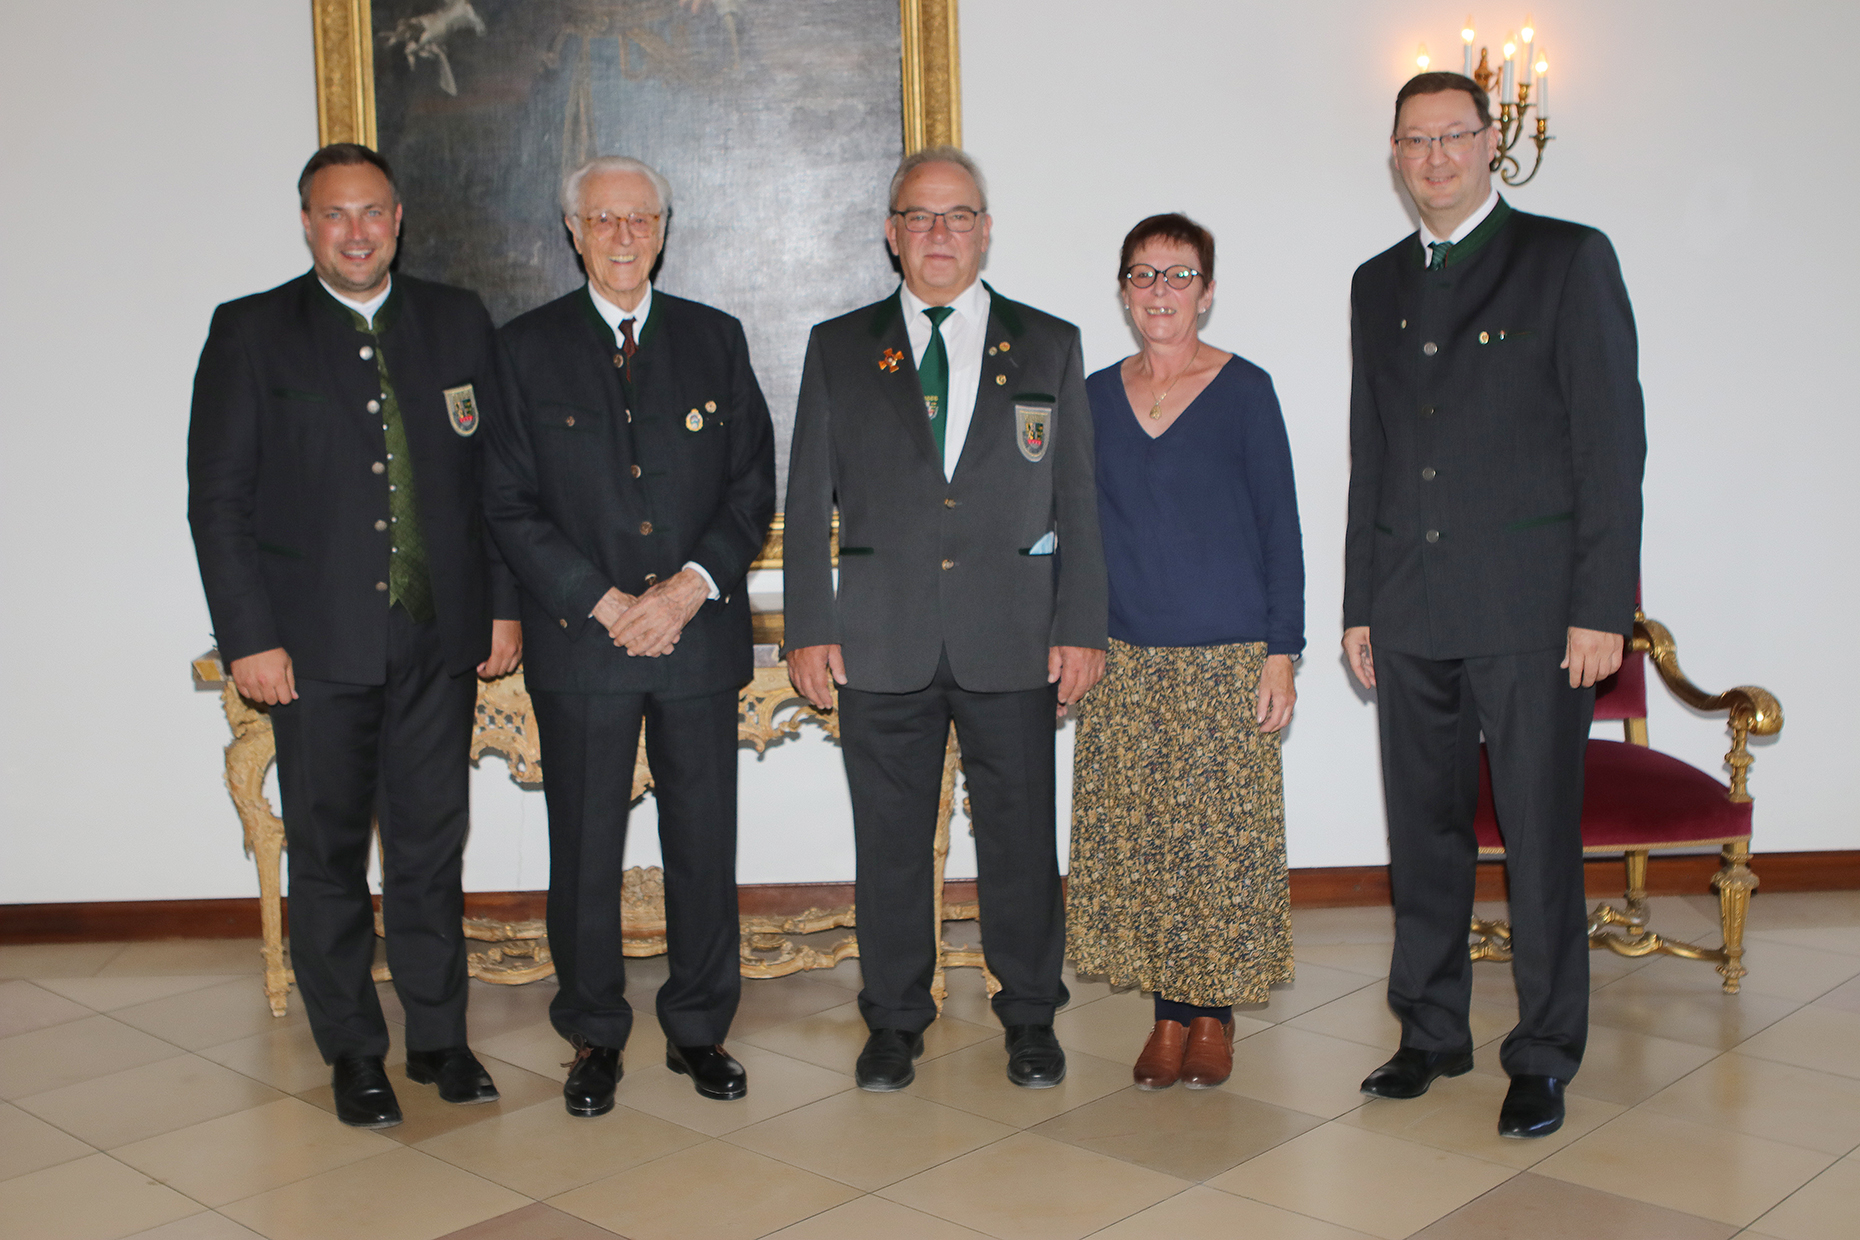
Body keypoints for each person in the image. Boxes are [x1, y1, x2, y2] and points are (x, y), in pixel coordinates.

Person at [187, 143, 523, 1128]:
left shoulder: (458, 321)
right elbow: (220, 501)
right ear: (306, 223)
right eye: (335, 215)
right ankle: (353, 1049)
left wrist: (501, 605)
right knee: (330, 853)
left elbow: (493, 483)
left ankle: (438, 1036)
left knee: (431, 845)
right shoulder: (251, 332)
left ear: (399, 217)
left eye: (371, 211)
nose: (356, 231)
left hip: (437, 641)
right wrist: (249, 635)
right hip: (312, 651)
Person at [1344, 72, 1645, 1138]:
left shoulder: (1567, 259)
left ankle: (1545, 1048)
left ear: (1489, 145)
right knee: (1423, 836)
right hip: (1410, 609)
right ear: (1394, 155)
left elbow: (1610, 449)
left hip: (1532, 613)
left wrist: (1600, 603)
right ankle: (1430, 1029)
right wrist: (1358, 603)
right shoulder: (1375, 283)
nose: (1434, 158)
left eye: (1454, 137)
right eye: (1414, 142)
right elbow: (1370, 454)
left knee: (1538, 838)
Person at [785, 146, 1108, 1092]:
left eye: (957, 215)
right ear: (891, 233)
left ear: (986, 229)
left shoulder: (1048, 343)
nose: (939, 234)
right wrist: (810, 624)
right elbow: (808, 500)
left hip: (1013, 633)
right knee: (887, 842)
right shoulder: (839, 347)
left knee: (1019, 837)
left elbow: (1077, 501)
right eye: (919, 217)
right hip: (880, 639)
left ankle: (1030, 1016)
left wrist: (1081, 625)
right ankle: (892, 1020)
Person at [484, 155, 775, 1117]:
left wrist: (689, 590)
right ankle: (594, 1036)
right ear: (574, 232)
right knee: (584, 849)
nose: (621, 236)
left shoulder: (716, 340)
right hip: (585, 643)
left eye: (639, 218)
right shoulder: (523, 350)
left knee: (703, 841)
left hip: (696, 639)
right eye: (602, 220)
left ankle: (698, 1030)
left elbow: (748, 490)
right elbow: (509, 503)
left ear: (663, 227)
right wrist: (606, 603)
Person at [1065, 214, 1304, 1091]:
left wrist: (1284, 650)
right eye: (1143, 274)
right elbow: (1073, 533)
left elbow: (1282, 528)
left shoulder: (1246, 391)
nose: (1160, 291)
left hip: (1226, 659)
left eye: (1179, 274)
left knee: (1218, 847)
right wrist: (1071, 636)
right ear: (1124, 292)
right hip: (1127, 660)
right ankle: (1168, 1015)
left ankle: (1214, 1019)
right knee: (1148, 843)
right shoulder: (1090, 398)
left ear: (1206, 291)